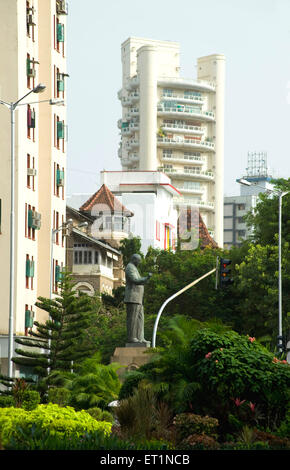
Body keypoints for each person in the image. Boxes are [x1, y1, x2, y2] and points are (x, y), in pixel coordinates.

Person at [124, 253, 152, 345]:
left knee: (140, 318)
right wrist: (146, 277)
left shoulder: (134, 268)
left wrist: (145, 279)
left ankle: (140, 337)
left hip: (138, 298)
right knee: (133, 318)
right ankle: (132, 337)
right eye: (139, 260)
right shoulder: (130, 267)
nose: (139, 262)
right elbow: (135, 280)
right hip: (132, 298)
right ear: (134, 259)